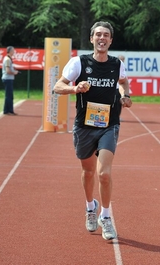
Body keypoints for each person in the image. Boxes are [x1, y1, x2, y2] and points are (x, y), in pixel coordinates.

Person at [53, 21, 132, 241]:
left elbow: (124, 83)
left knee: (103, 174)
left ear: (110, 40)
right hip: (84, 126)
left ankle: (105, 217)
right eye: (98, 34)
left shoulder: (117, 64)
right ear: (91, 39)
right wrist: (74, 88)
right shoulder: (79, 62)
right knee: (88, 172)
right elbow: (57, 86)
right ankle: (91, 207)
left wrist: (126, 96)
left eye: (106, 35)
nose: (102, 38)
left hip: (109, 124)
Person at [2, 46, 19, 115]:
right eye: (13, 50)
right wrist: (14, 72)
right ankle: (8, 111)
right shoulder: (7, 60)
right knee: (9, 96)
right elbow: (8, 71)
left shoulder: (8, 59)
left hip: (8, 78)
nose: (14, 52)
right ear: (9, 51)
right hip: (7, 79)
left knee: (9, 95)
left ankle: (8, 110)